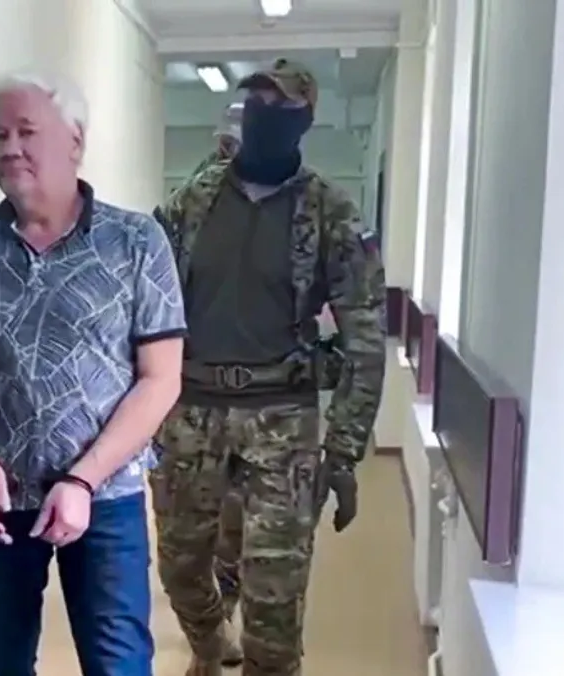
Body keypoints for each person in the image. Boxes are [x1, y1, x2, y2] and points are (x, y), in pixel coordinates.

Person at [0, 70, 187, 676]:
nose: (10, 148)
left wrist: (83, 480)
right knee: (1, 660)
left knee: (118, 663)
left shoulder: (136, 241)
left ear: (75, 141)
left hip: (107, 494)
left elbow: (161, 379)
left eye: (27, 132)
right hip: (2, 496)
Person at [150, 58, 386, 676]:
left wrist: (344, 453)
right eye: (256, 102)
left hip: (282, 419)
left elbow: (365, 338)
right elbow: (144, 311)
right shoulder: (192, 202)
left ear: (305, 121)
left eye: (281, 107)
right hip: (191, 413)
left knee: (274, 602)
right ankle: (209, 644)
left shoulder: (330, 213)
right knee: (180, 567)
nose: (264, 115)